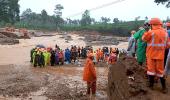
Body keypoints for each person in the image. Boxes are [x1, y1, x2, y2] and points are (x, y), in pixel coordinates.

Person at [142, 18, 169, 93]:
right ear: (160, 24)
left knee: (151, 71)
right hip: (160, 56)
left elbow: (143, 39)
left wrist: (146, 32)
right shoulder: (165, 33)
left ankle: (151, 85)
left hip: (151, 55)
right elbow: (167, 46)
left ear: (152, 25)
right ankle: (164, 88)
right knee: (160, 71)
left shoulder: (151, 32)